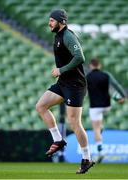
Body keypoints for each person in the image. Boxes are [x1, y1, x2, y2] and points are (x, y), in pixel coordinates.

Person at [36, 9, 95, 174]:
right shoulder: (58, 36)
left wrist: (61, 70)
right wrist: (62, 74)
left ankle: (86, 159)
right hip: (63, 83)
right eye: (49, 20)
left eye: (52, 20)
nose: (50, 23)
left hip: (75, 85)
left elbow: (80, 57)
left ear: (61, 21)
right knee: (41, 106)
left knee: (75, 123)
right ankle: (58, 140)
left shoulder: (68, 35)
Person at [86, 58, 126, 163]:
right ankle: (116, 98)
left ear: (91, 66)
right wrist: (123, 96)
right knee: (99, 124)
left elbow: (82, 90)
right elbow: (116, 85)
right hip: (106, 105)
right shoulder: (106, 75)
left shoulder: (88, 77)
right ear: (99, 65)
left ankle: (100, 152)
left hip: (95, 107)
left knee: (96, 130)